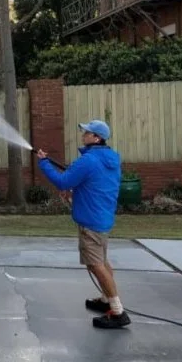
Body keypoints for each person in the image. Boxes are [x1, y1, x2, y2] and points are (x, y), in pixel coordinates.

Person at [36, 120, 130, 329]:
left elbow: (62, 182)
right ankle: (106, 300)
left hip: (90, 220)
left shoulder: (88, 161)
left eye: (87, 133)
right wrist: (75, 187)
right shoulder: (110, 159)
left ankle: (117, 311)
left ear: (97, 138)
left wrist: (44, 163)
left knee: (95, 265)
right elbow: (93, 183)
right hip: (102, 217)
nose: (83, 135)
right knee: (102, 260)